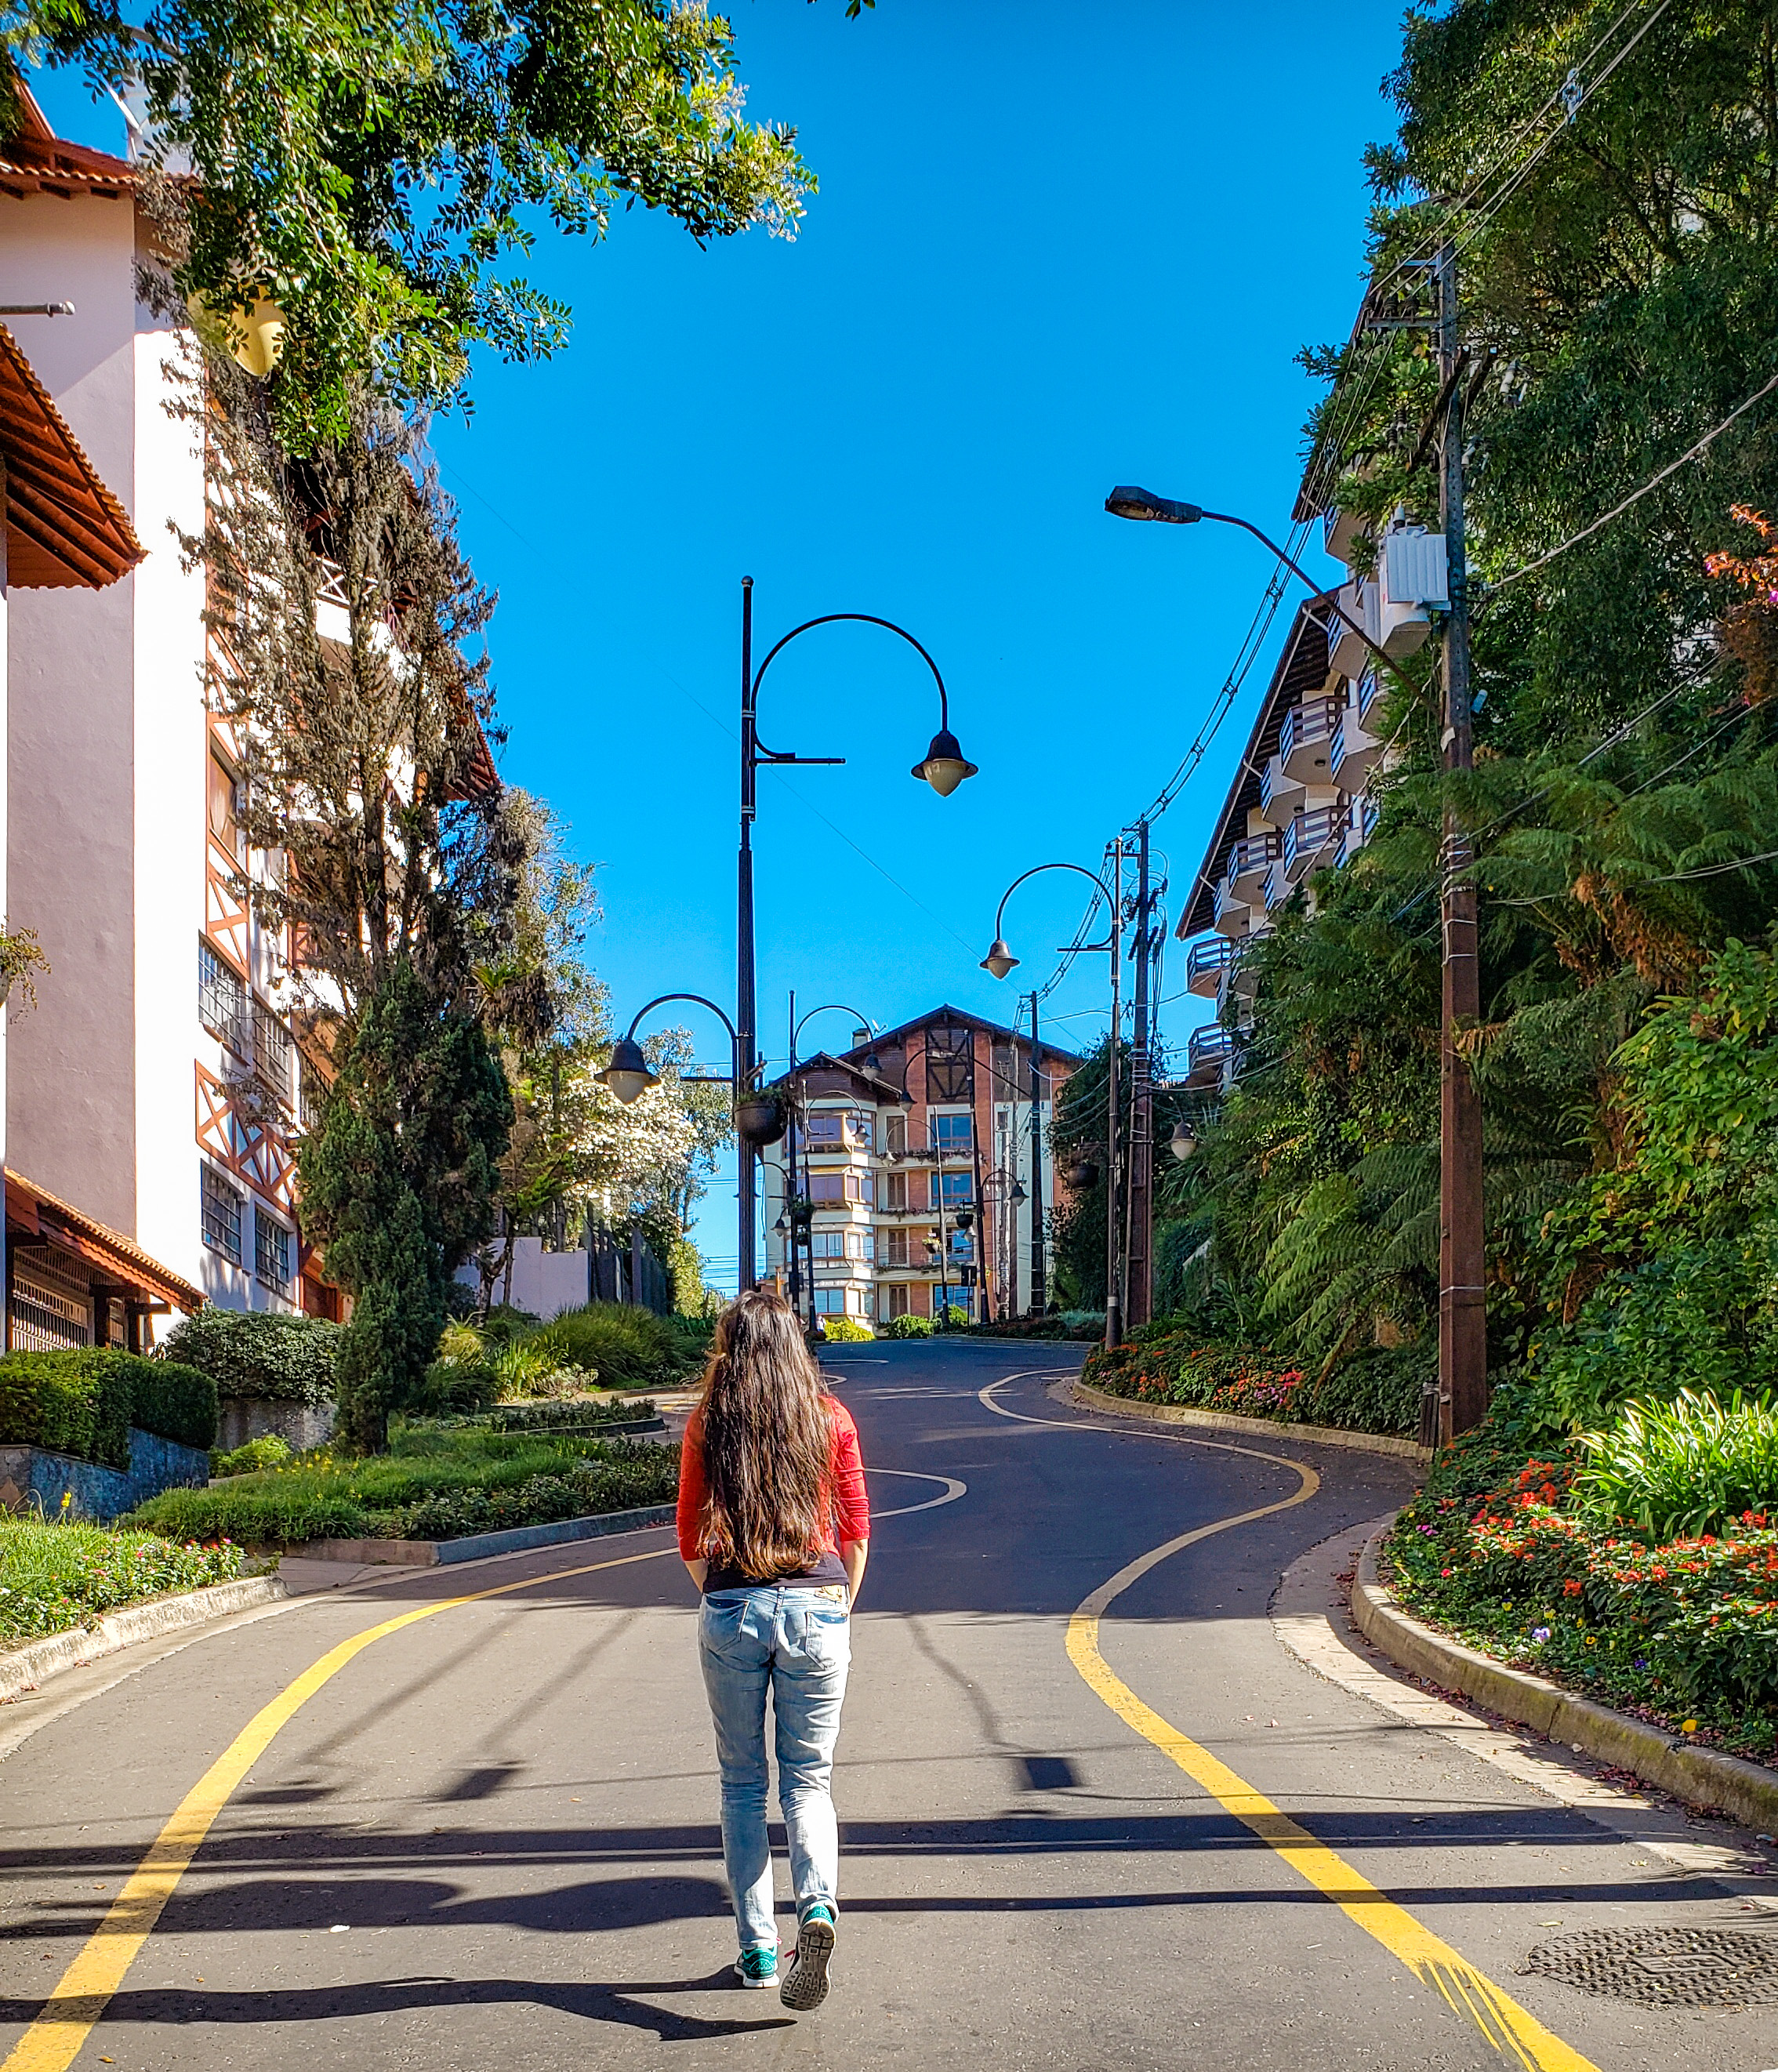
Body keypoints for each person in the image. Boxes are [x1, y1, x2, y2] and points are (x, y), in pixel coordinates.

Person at [677, 1287, 869, 2011]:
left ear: (729, 1351)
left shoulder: (708, 1422)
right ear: (795, 1349)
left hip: (733, 1604)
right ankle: (815, 1909)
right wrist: (835, 1603)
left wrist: (720, 1592)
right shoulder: (830, 1418)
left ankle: (758, 1949)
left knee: (741, 1785)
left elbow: (689, 1534)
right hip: (817, 1606)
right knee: (809, 1782)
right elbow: (854, 1526)